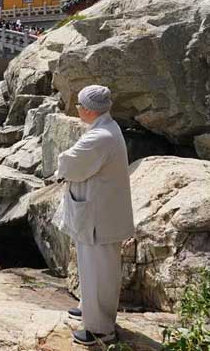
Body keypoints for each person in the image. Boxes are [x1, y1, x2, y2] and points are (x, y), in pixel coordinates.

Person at [55, 85, 135, 346]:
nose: (77, 109)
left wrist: (61, 162)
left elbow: (70, 165)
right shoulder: (107, 128)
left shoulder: (99, 136)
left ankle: (99, 329)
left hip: (98, 216)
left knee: (99, 269)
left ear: (88, 109)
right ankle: (90, 308)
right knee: (97, 267)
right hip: (100, 211)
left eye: (79, 105)